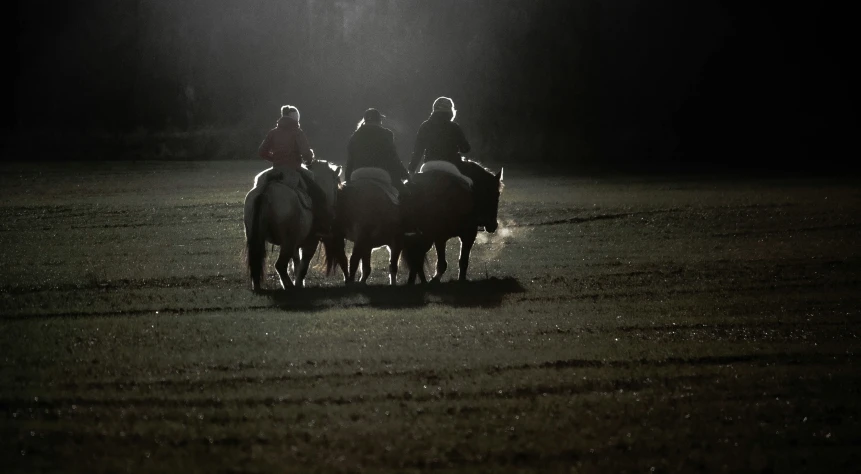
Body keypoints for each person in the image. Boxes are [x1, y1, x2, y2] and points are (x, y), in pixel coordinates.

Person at [258, 105, 332, 237]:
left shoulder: (273, 132)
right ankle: (321, 227)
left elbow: (262, 152)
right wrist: (308, 160)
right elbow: (306, 154)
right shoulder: (297, 132)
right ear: (295, 117)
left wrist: (276, 158)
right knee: (319, 194)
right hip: (294, 169)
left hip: (276, 169)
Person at [345, 108, 409, 193]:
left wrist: (347, 180)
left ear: (365, 120)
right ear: (379, 120)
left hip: (358, 174)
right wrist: (405, 175)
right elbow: (393, 158)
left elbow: (350, 161)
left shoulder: (354, 136)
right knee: (406, 194)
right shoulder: (387, 134)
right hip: (380, 173)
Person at [408, 96, 471, 175]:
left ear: (434, 110)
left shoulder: (425, 126)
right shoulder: (454, 127)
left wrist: (411, 170)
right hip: (451, 166)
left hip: (428, 165)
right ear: (450, 111)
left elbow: (418, 151)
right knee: (469, 184)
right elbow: (465, 149)